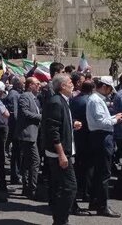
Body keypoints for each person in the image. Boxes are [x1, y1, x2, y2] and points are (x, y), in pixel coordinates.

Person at [43, 74, 82, 225]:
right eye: (70, 83)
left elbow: (60, 123)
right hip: (58, 153)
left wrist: (72, 124)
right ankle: (60, 221)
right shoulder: (56, 102)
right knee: (70, 188)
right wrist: (61, 154)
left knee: (62, 187)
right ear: (62, 86)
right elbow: (53, 131)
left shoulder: (63, 101)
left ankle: (60, 220)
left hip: (64, 151)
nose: (73, 85)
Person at [86, 76, 122, 218]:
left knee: (99, 172)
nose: (110, 92)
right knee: (104, 173)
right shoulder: (96, 100)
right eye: (109, 89)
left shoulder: (96, 99)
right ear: (104, 86)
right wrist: (116, 119)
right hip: (101, 136)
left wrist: (114, 117)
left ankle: (96, 201)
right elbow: (102, 122)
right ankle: (102, 206)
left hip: (100, 136)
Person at [16, 76, 42, 199]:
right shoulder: (25, 96)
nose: (39, 86)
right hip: (27, 134)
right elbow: (25, 112)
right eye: (36, 84)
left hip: (33, 134)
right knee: (35, 161)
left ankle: (27, 187)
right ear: (30, 85)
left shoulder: (34, 98)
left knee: (27, 162)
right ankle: (32, 188)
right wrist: (40, 116)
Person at [3, 76, 22, 185]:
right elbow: (14, 114)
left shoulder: (15, 93)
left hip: (15, 128)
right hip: (15, 128)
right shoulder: (14, 95)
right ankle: (16, 175)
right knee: (16, 152)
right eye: (22, 83)